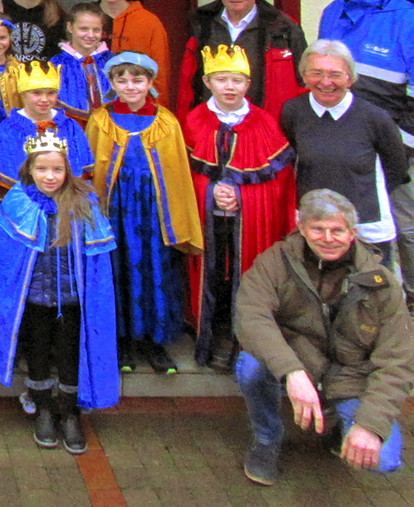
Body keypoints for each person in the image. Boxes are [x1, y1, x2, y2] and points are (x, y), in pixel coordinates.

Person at [235, 189, 414, 485]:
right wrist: (291, 371)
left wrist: (369, 426)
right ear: (302, 228)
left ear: (353, 233)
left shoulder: (383, 284)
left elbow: (398, 360)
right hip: (299, 362)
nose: (328, 238)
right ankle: (267, 439)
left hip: (352, 380)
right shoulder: (273, 262)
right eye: (318, 228)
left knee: (382, 459)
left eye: (337, 230)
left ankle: (341, 424)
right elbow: (250, 316)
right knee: (251, 365)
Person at [0, 130, 119, 454]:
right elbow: (7, 256)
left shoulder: (84, 201)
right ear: (29, 171)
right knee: (37, 350)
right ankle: (43, 407)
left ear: (68, 170)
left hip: (72, 298)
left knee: (69, 352)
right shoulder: (17, 200)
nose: (50, 176)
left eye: (57, 170)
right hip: (33, 296)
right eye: (42, 170)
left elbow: (96, 258)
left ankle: (69, 410)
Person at [87, 52, 203, 374]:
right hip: (114, 211)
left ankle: (154, 341)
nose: (130, 86)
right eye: (122, 80)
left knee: (155, 270)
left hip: (155, 213)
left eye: (138, 79)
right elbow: (91, 169)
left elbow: (177, 171)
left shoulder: (167, 121)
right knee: (117, 269)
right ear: (111, 83)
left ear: (150, 82)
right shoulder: (101, 119)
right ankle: (121, 341)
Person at [182, 45, 296, 370]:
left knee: (245, 278)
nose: (229, 87)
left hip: (250, 224)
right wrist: (210, 192)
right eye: (221, 79)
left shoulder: (264, 123)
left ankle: (241, 339)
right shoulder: (192, 122)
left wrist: (242, 198)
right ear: (207, 81)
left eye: (237, 80)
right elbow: (182, 177)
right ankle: (211, 335)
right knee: (213, 278)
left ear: (248, 84)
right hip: (207, 223)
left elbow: (280, 182)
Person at [317, 0, 414, 307]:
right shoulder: (333, 12)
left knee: (404, 224)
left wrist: (400, 149)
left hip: (395, 143)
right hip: (340, 140)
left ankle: (409, 301)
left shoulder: (406, 17)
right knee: (341, 219)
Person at [279, 41, 407, 270]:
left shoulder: (375, 118)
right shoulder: (292, 112)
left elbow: (396, 169)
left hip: (365, 229)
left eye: (335, 74)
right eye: (316, 73)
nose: (325, 82)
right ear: (304, 76)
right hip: (313, 230)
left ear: (350, 78)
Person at [177, 0, 308, 121]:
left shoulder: (283, 27)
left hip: (266, 121)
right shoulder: (201, 24)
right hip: (210, 121)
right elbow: (188, 77)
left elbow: (303, 79)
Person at [0, 60, 92, 193]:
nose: (45, 99)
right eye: (37, 93)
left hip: (67, 196)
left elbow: (81, 168)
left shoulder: (70, 126)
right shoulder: (10, 128)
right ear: (23, 94)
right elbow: (9, 169)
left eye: (51, 93)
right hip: (25, 198)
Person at [93, 0, 172, 108]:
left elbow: (160, 73)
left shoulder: (148, 21)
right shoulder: (85, 20)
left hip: (136, 106)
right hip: (92, 105)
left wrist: (157, 110)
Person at [50, 3, 113, 127]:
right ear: (70, 27)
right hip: (71, 128)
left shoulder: (113, 62)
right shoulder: (56, 64)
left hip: (110, 130)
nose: (90, 35)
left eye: (96, 30)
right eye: (83, 29)